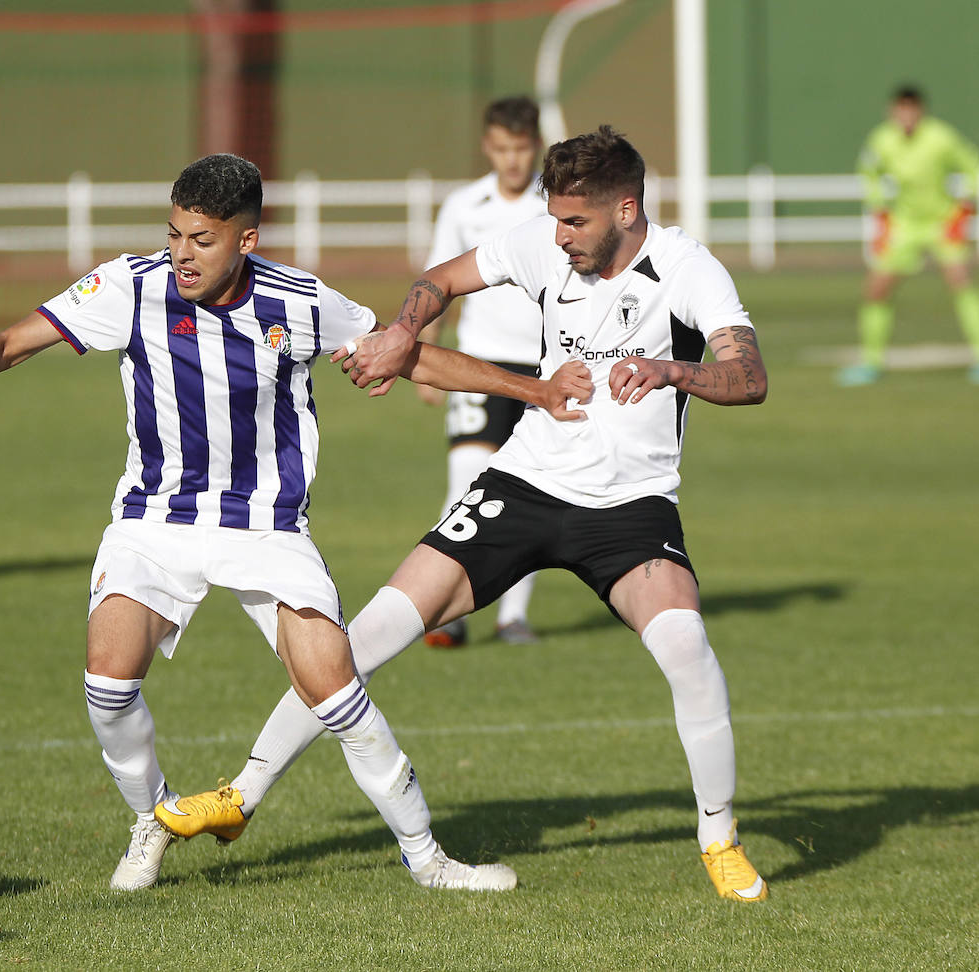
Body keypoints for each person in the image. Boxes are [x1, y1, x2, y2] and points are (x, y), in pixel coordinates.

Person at [0, 153, 591, 893]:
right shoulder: (128, 287)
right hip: (154, 520)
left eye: (202, 239)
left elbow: (412, 358)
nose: (181, 253)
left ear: (246, 239)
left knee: (336, 692)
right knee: (108, 682)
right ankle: (151, 820)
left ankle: (428, 860)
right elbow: (2, 350)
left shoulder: (300, 302)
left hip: (266, 528)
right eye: (174, 233)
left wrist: (534, 389)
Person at [160, 127, 773, 904]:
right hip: (521, 483)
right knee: (368, 634)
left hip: (630, 507)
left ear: (627, 208)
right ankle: (240, 797)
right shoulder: (545, 244)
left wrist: (669, 370)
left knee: (687, 647)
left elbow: (748, 377)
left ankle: (719, 840)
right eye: (554, 219)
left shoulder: (688, 270)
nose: (561, 237)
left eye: (576, 222)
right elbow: (441, 279)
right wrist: (401, 333)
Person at [416, 95, 550, 649]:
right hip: (478, 365)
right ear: (486, 146)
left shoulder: (556, 203)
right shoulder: (464, 206)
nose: (512, 160)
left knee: (538, 492)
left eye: (520, 148)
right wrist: (424, 360)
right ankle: (449, 611)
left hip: (546, 368)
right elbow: (436, 283)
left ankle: (512, 616)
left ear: (536, 145)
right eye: (501, 148)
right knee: (467, 490)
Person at [839, 85, 979, 386]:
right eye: (901, 108)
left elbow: (973, 168)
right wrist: (881, 212)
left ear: (921, 110)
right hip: (904, 223)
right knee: (877, 288)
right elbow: (868, 173)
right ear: (892, 111)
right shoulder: (882, 140)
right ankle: (871, 362)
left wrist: (965, 209)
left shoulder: (941, 137)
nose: (907, 115)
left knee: (961, 281)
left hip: (942, 221)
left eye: (912, 108)